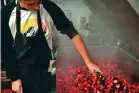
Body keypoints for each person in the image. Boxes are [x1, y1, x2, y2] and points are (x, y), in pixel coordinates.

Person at [1, 0, 103, 93]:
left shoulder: (49, 7)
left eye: (38, 1)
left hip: (50, 63)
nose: (37, 7)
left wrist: (89, 62)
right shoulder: (6, 13)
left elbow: (72, 32)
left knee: (53, 89)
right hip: (23, 70)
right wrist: (14, 78)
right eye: (31, 4)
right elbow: (6, 50)